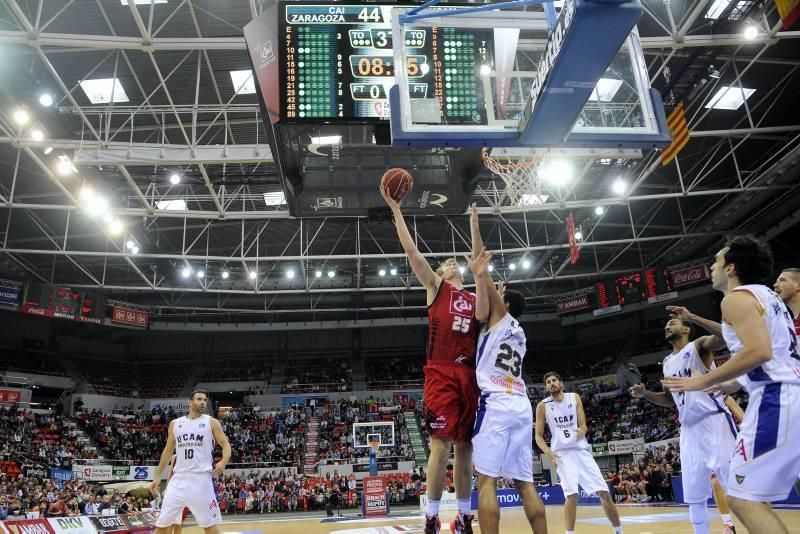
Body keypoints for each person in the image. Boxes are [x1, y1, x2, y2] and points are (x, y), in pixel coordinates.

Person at [663, 236, 800, 534]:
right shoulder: (769, 297)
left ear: (731, 268)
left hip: (777, 398)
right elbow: (772, 351)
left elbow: (759, 351)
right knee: (759, 493)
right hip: (791, 392)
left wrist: (703, 380)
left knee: (742, 497)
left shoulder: (735, 299)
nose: (712, 266)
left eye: (716, 261)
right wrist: (733, 382)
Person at [381, 184, 480, 534]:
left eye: (456, 262)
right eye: (446, 262)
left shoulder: (477, 297)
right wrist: (396, 211)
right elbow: (411, 251)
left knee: (465, 449)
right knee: (440, 446)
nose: (452, 262)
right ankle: (432, 517)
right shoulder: (436, 286)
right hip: (440, 371)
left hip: (469, 374)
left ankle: (465, 517)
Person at [630, 313, 740, 534]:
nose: (667, 327)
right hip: (689, 431)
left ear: (687, 329)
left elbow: (726, 336)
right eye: (667, 324)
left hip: (714, 422)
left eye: (673, 323)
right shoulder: (668, 362)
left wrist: (692, 317)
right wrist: (646, 394)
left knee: (740, 490)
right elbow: (669, 400)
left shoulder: (698, 347)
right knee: (695, 497)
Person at [466, 242, 547, 534]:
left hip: (496, 404)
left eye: (500, 299)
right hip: (520, 404)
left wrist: (482, 271)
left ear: (506, 305)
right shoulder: (520, 334)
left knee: (486, 481)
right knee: (526, 484)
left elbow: (488, 293)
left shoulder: (500, 320)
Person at [535, 372, 624, 534]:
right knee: (572, 495)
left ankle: (619, 530)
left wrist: (583, 429)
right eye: (548, 382)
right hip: (561, 454)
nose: (551, 383)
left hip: (580, 450)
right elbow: (538, 437)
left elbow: (583, 425)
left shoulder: (574, 397)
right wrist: (549, 453)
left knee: (604, 492)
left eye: (554, 380)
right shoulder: (542, 405)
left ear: (561, 382)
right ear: (546, 386)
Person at [149, 390, 231, 534]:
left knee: (209, 526)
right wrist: (157, 477)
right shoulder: (175, 424)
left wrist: (223, 462)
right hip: (178, 479)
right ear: (190, 402)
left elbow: (225, 445)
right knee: (162, 525)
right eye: (199, 399)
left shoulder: (211, 422)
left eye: (205, 400)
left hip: (200, 479)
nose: (203, 402)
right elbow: (168, 451)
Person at [774, 267, 800, 333]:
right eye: (776, 282)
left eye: (782, 280)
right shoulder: (790, 325)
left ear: (798, 286)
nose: (775, 285)